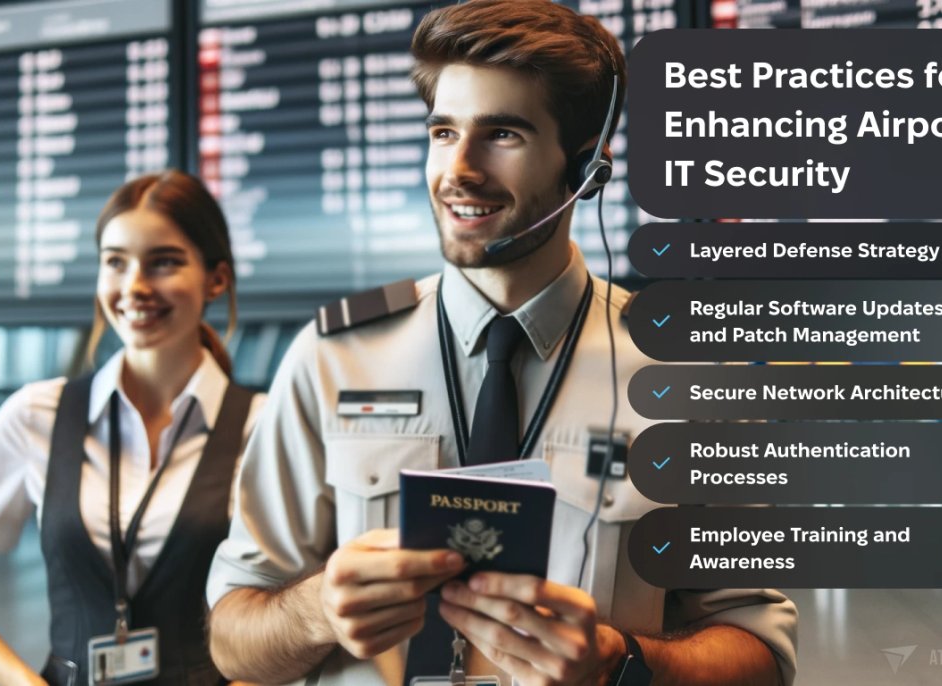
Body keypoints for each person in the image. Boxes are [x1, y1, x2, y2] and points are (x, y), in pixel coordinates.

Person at [206, 1, 798, 684]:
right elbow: (232, 636)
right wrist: (313, 612)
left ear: (583, 170)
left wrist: (621, 663)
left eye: (502, 135)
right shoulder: (332, 355)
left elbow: (763, 654)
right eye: (442, 131)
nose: (458, 168)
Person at [0, 170, 264, 685]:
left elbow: (300, 608)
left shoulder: (263, 426)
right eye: (115, 262)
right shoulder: (37, 415)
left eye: (164, 262)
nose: (135, 287)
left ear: (216, 279)